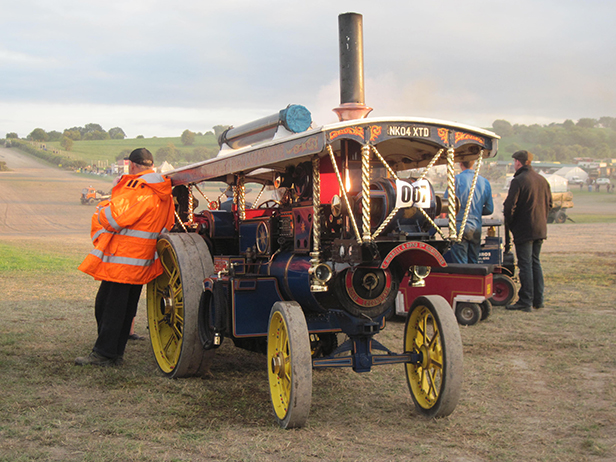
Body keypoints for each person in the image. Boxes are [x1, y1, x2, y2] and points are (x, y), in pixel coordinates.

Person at [75, 148, 175, 366]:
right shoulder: (162, 190)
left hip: (122, 258)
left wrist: (101, 208)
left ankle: (104, 354)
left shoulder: (139, 188)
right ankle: (114, 353)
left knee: (108, 306)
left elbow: (113, 218)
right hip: (142, 259)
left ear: (132, 165)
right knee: (124, 308)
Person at [503, 150, 552, 312]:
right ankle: (538, 300)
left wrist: (511, 223)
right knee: (535, 263)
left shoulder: (518, 180)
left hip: (524, 229)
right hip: (540, 227)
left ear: (518, 162)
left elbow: (510, 206)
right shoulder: (542, 180)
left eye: (514, 161)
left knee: (525, 265)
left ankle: (525, 301)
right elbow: (549, 204)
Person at [448, 160, 494, 264]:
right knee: (474, 263)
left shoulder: (456, 180)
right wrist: (475, 212)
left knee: (461, 264)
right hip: (476, 227)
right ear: (473, 164)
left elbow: (447, 204)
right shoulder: (484, 182)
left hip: (460, 227)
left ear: (460, 164)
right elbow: (490, 209)